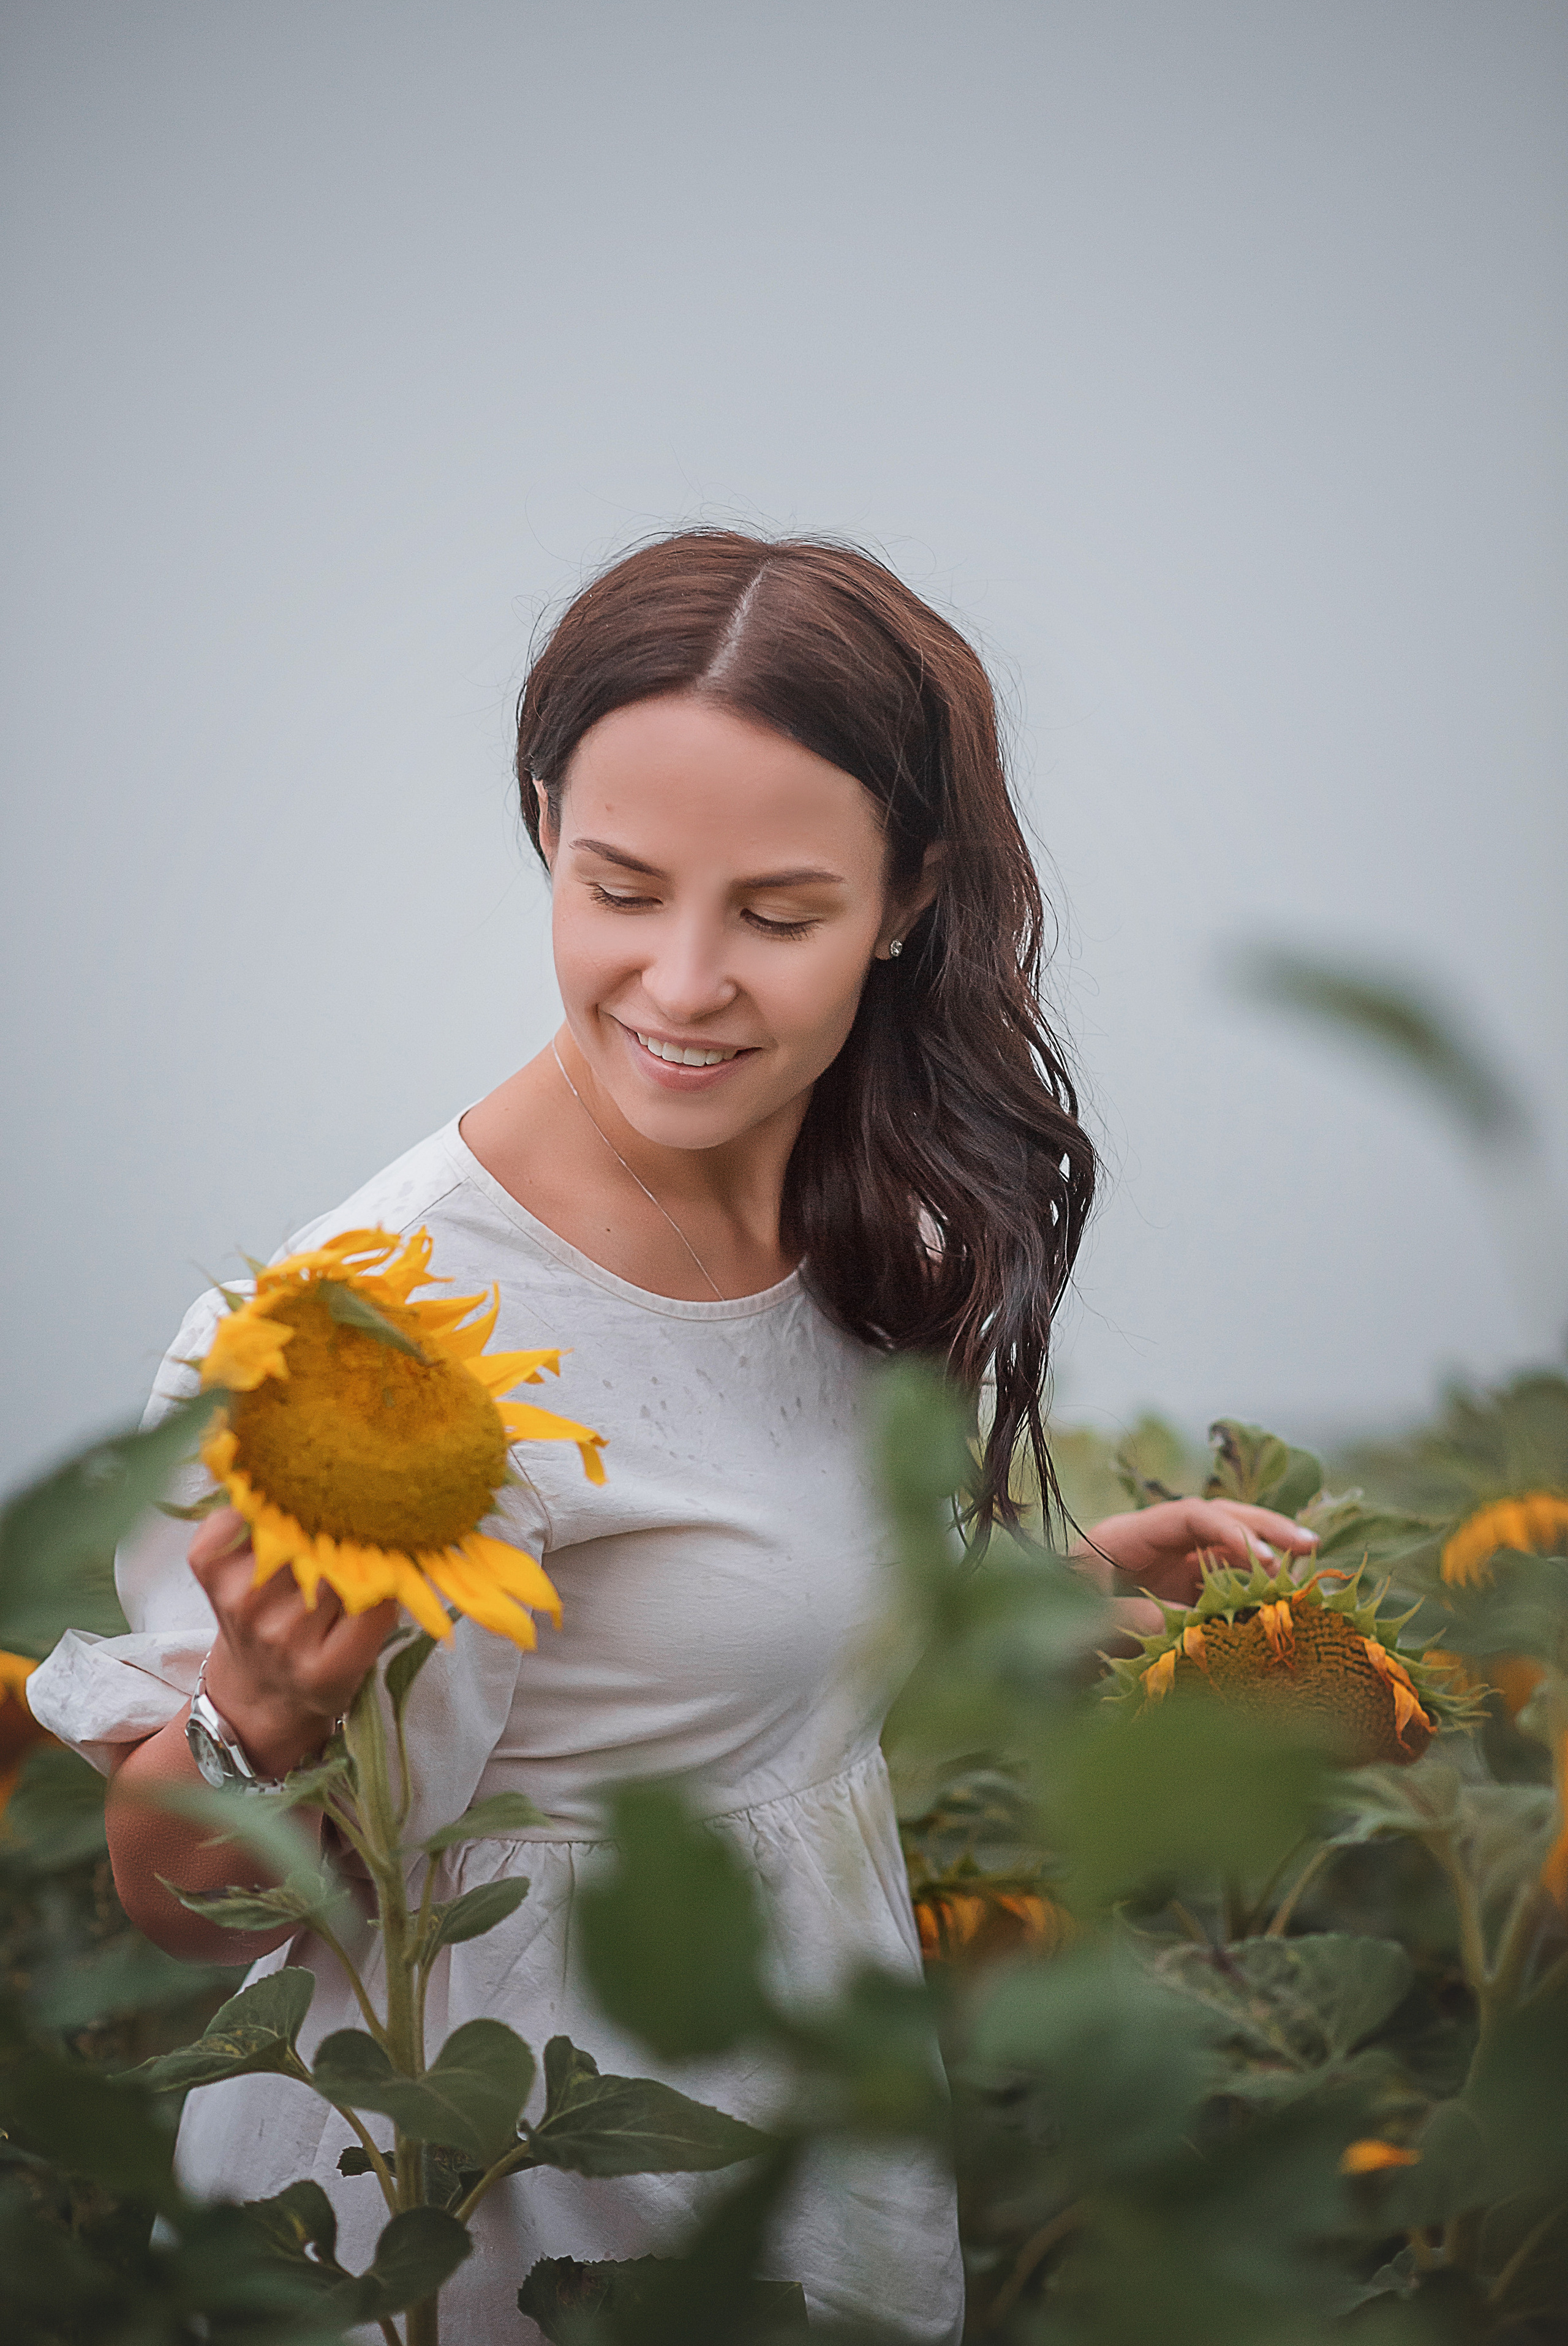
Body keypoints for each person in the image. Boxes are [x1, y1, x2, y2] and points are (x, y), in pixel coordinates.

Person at [28, 531, 1315, 2340]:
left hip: (798, 2147)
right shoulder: (356, 1349)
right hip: (480, 2206)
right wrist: (261, 1712)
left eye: (775, 914)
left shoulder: (864, 1215)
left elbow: (732, 1648)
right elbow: (180, 1901)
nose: (684, 982)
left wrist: (1055, 1591)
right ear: (546, 828)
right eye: (620, 886)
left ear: (906, 898)